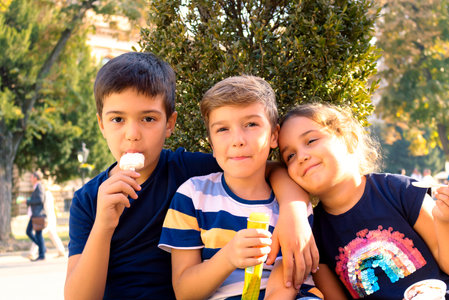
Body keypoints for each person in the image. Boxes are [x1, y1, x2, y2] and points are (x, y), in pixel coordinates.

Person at [64, 52, 318, 300]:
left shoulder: (188, 171)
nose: (132, 134)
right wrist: (104, 224)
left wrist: (293, 209)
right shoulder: (88, 200)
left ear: (170, 124)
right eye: (117, 119)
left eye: (148, 118)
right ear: (101, 125)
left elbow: (259, 167)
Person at [159, 76, 321, 299]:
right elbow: (185, 292)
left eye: (251, 124)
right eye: (223, 129)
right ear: (211, 145)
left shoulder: (293, 205)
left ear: (274, 135)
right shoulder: (193, 196)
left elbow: (294, 277)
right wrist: (228, 257)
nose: (238, 140)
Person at [277, 102, 449, 299]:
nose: (301, 156)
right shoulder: (313, 234)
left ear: (349, 139)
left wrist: (445, 222)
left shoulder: (399, 190)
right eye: (290, 155)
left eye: (310, 141)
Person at [29, 190, 66, 258]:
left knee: (39, 234)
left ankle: (32, 253)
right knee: (53, 235)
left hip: (48, 218)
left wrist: (45, 218)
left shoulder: (46, 194)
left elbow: (47, 207)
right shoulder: (48, 193)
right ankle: (61, 251)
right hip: (50, 217)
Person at [26, 171, 46, 261]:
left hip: (38, 215)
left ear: (35, 178)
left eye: (31, 177)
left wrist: (28, 201)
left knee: (36, 233)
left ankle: (42, 254)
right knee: (33, 233)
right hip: (35, 214)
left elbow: (40, 199)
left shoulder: (39, 186)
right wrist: (29, 200)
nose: (30, 179)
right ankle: (42, 250)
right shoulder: (36, 187)